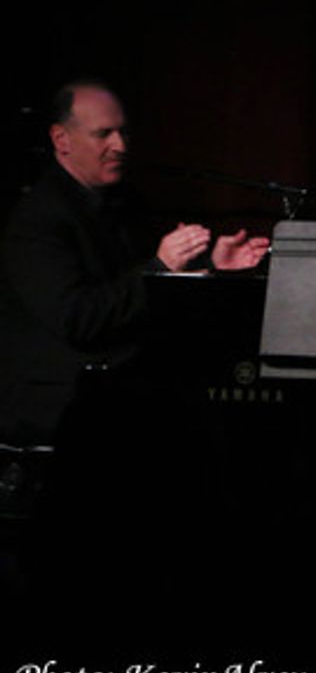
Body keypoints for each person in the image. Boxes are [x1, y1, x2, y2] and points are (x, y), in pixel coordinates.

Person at [0, 81, 268, 448]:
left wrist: (211, 267)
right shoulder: (38, 220)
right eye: (103, 134)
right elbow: (80, 318)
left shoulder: (123, 204)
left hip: (118, 392)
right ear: (61, 139)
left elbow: (143, 286)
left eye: (123, 132)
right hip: (61, 409)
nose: (120, 146)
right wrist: (161, 265)